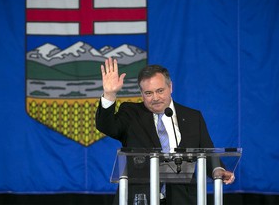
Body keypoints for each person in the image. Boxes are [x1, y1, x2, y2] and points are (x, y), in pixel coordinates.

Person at [96, 57, 235, 205]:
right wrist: (109, 94)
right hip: (140, 198)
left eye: (160, 91)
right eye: (148, 93)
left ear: (171, 87)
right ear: (141, 94)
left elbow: (207, 151)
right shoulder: (131, 113)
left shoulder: (193, 117)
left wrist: (217, 170)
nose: (155, 98)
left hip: (183, 199)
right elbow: (106, 126)